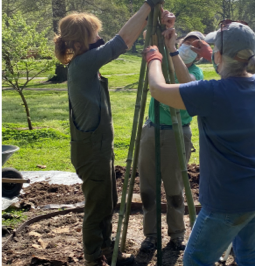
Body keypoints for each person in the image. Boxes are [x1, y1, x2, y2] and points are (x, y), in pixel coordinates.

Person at [143, 21, 255, 266]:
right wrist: (176, 51)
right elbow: (208, 83)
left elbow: (158, 89)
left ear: (218, 56)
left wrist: (154, 58)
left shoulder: (213, 93)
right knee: (249, 253)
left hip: (228, 200)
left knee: (195, 260)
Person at [54, 1, 164, 265]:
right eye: (94, 34)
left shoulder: (85, 63)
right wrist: (147, 7)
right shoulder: (83, 64)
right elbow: (122, 41)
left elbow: (119, 40)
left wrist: (148, 14)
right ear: (82, 40)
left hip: (97, 148)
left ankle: (105, 249)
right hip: (91, 151)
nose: (99, 38)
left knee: (107, 201)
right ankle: (94, 258)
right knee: (97, 207)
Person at [138, 26, 211, 251]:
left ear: (200, 54)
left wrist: (172, 52)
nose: (188, 48)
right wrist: (159, 23)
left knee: (174, 188)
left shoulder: (196, 75)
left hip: (176, 134)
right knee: (148, 188)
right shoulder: (161, 64)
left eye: (195, 45)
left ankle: (177, 234)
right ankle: (151, 235)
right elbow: (148, 38)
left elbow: (185, 82)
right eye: (186, 42)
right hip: (151, 130)